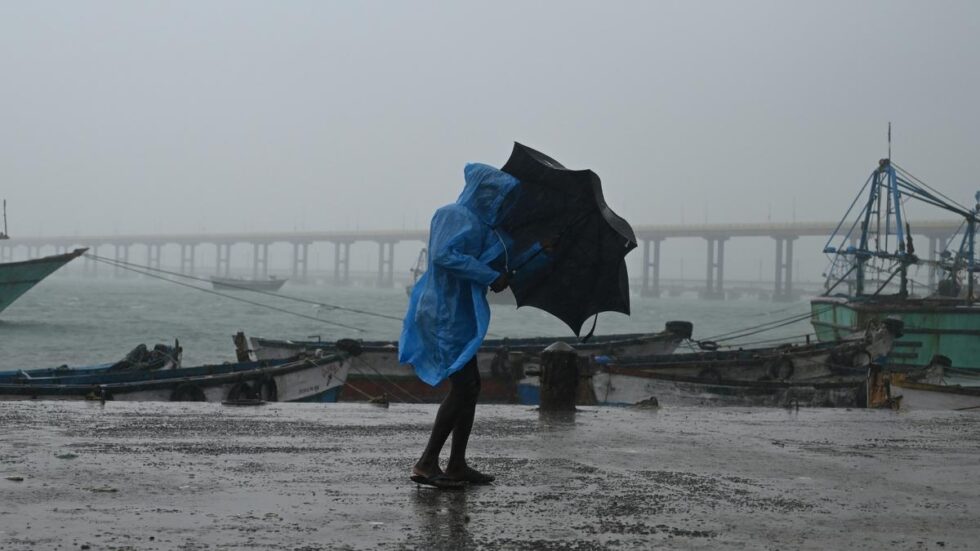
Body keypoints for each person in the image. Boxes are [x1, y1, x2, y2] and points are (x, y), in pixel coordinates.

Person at [399, 163, 520, 489]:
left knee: (471, 386)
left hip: (458, 312)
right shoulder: (452, 214)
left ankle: (456, 463)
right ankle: (427, 462)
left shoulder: (483, 226)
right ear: (480, 191)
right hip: (441, 312)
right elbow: (443, 256)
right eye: (493, 194)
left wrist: (537, 250)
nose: (497, 201)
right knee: (465, 386)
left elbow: (488, 259)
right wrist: (490, 275)